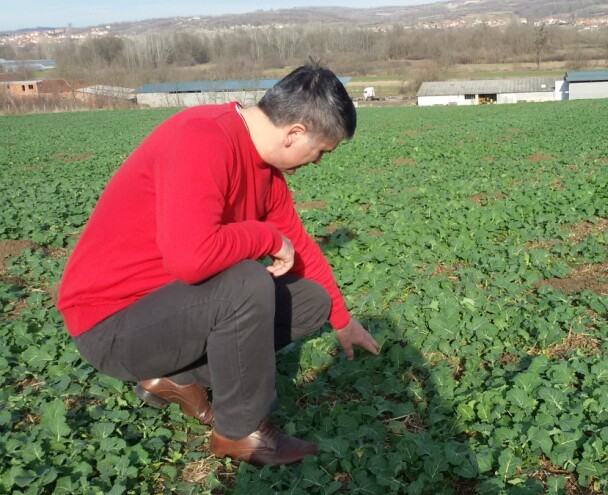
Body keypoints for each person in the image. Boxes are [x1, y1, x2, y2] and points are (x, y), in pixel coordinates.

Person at [57, 64, 380, 467]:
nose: (316, 162)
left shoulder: (267, 175)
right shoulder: (203, 137)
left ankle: (178, 377)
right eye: (320, 152)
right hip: (110, 323)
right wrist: (264, 237)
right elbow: (191, 260)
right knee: (244, 283)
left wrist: (342, 319)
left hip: (167, 309)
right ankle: (241, 432)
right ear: (295, 132)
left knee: (310, 301)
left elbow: (299, 248)